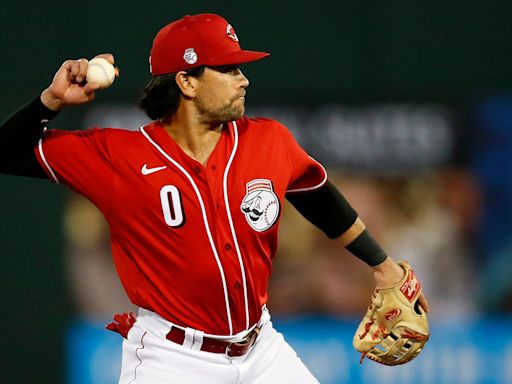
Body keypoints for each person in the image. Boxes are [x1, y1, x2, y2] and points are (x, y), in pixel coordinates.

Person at [0, 13, 428, 384]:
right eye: (227, 69)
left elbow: (317, 197)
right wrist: (51, 101)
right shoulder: (118, 156)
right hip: (171, 360)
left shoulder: (268, 141)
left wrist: (384, 266)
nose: (243, 79)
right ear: (186, 81)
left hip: (262, 350)